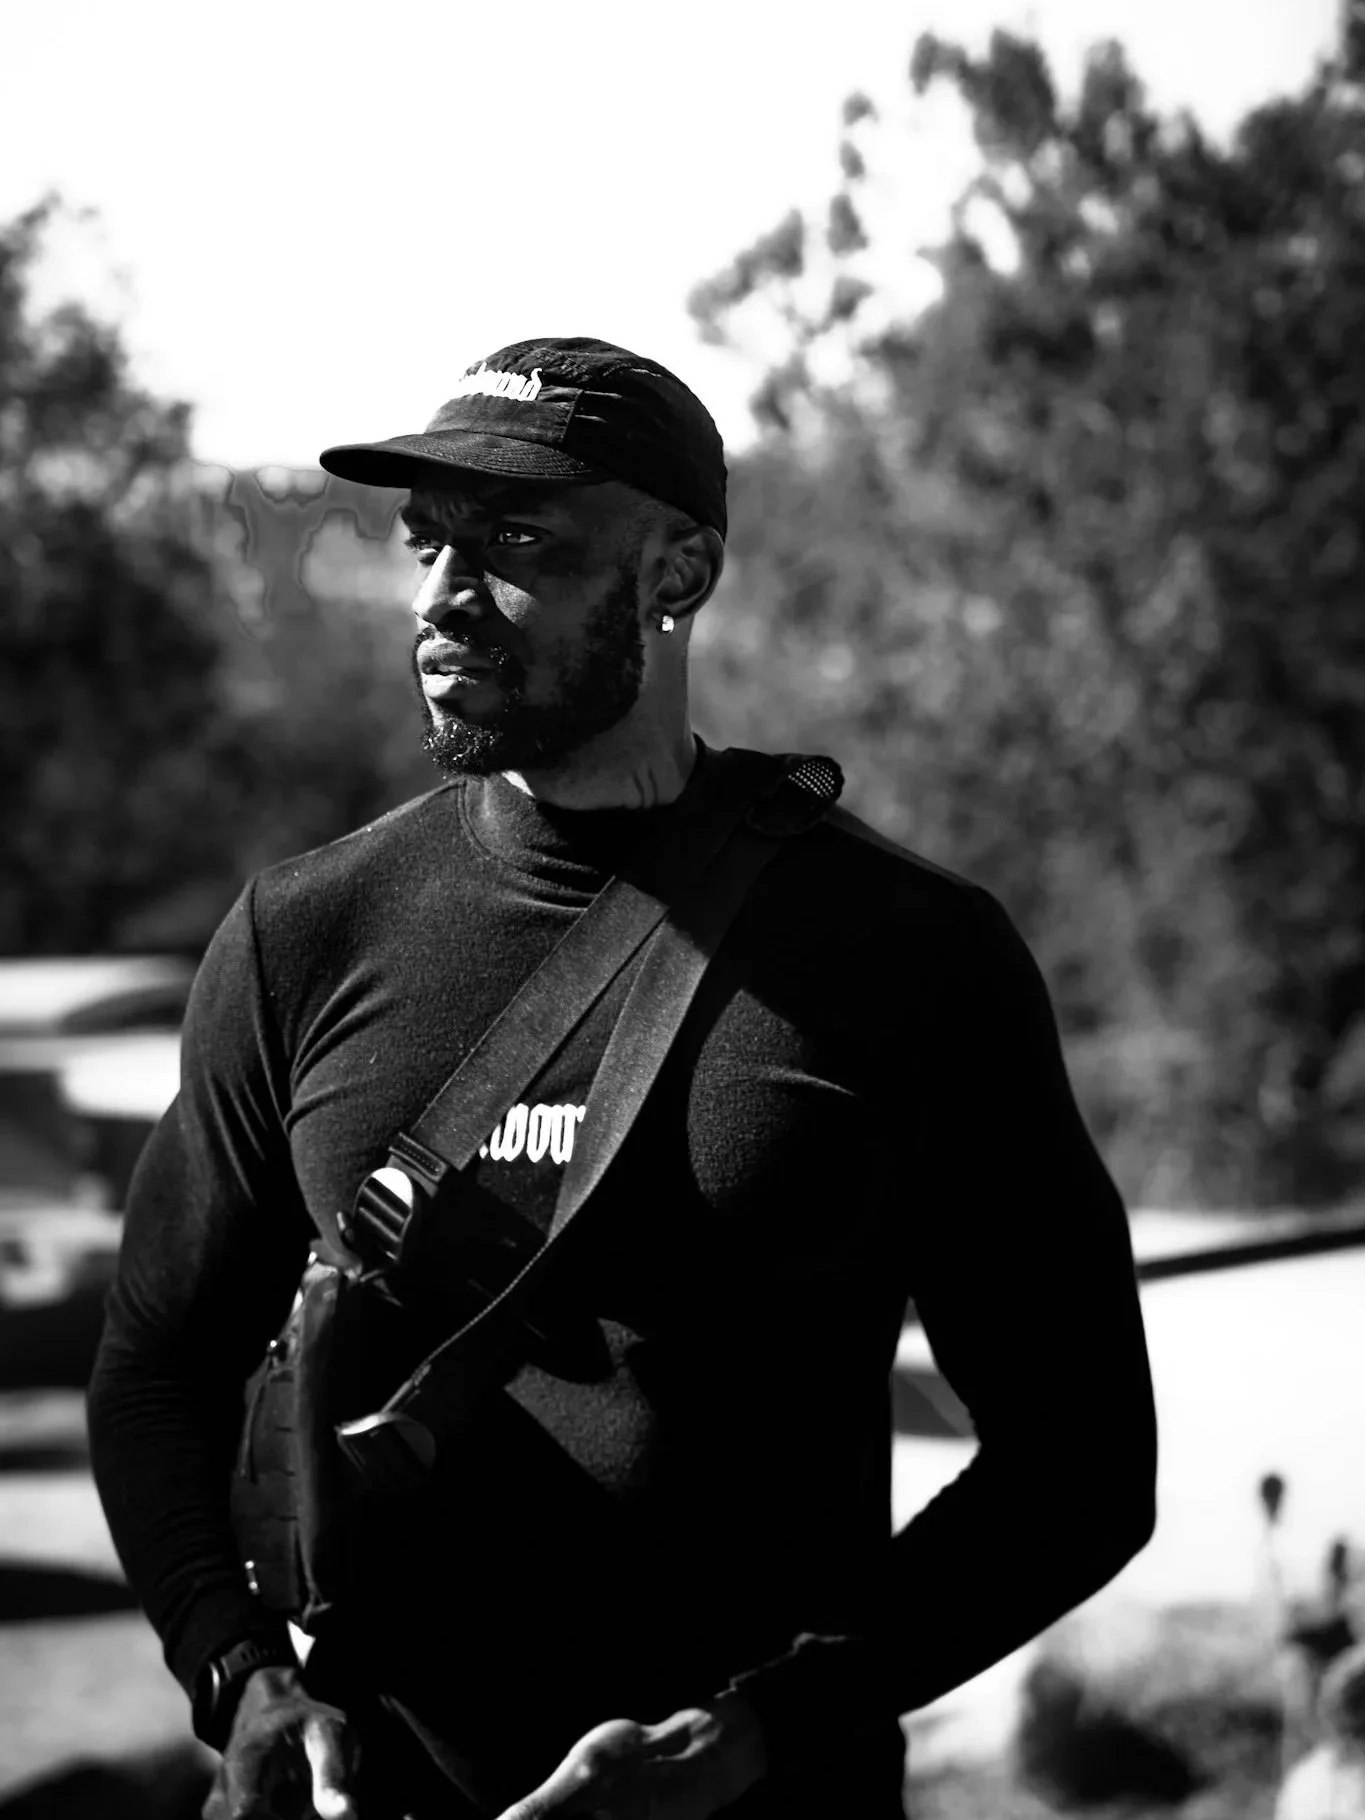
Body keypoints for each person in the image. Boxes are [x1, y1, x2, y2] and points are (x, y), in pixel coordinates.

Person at [87, 336, 1158, 1820]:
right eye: (429, 542)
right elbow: (156, 1363)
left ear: (679, 574)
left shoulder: (914, 958)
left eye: (518, 541)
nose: (444, 595)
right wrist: (239, 1674)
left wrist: (759, 1735)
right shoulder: (302, 934)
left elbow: (1081, 1467)